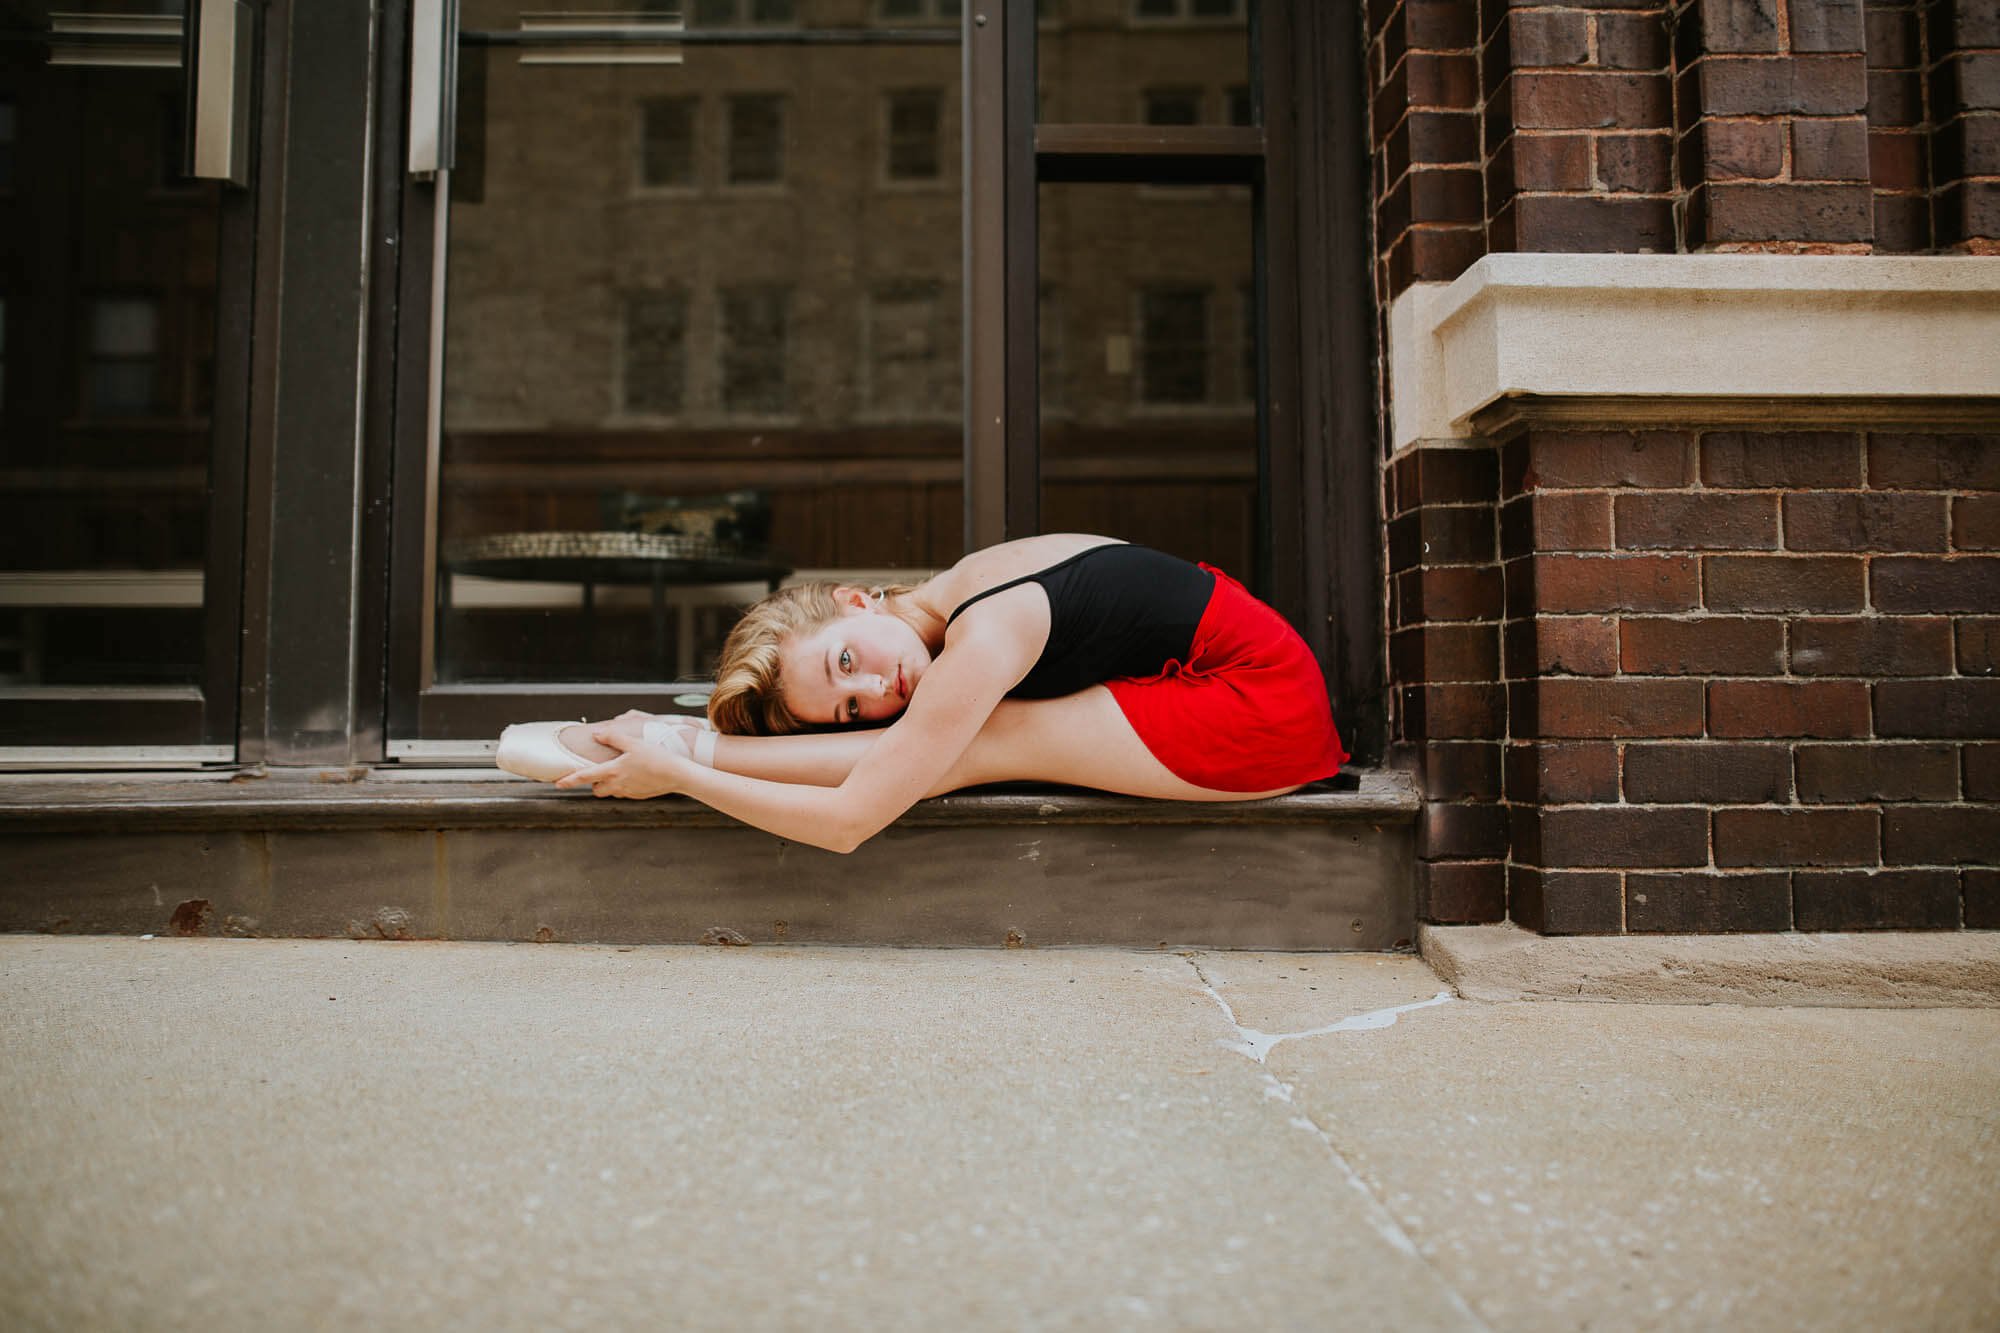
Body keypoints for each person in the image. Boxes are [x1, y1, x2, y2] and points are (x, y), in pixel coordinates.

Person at [496, 534, 1346, 853]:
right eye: (854, 707)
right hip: (1211, 691)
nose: (877, 687)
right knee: (966, 737)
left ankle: (673, 740)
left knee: (986, 740)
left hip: (1257, 709)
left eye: (843, 663)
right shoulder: (956, 599)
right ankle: (676, 736)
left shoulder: (987, 628)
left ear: (854, 598)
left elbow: (849, 822)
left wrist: (678, 775)